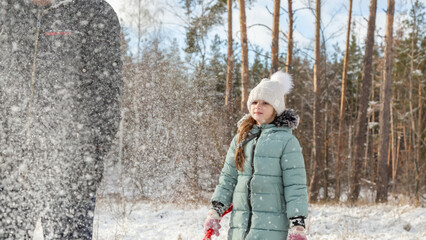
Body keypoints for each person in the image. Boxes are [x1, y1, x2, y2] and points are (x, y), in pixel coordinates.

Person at [0, 0, 123, 239]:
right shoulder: (7, 10)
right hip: (9, 169)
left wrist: (89, 156)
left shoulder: (93, 11)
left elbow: (107, 93)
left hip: (71, 175)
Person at [203, 71, 309, 240]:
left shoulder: (287, 141)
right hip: (239, 228)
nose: (258, 106)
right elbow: (228, 178)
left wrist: (298, 223)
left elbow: (295, 185)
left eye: (265, 103)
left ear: (276, 108)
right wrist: (216, 210)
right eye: (254, 102)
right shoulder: (241, 138)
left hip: (271, 228)